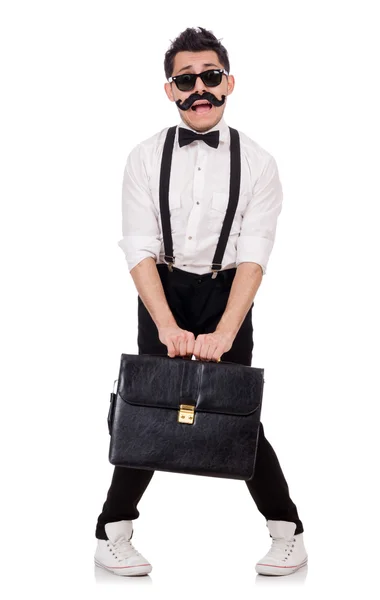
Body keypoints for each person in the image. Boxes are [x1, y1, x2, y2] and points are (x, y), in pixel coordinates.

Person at [94, 26, 308, 577]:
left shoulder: (259, 163)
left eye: (210, 77)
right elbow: (138, 248)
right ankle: (112, 530)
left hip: (227, 289)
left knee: (236, 411)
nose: (199, 90)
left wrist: (226, 331)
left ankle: (286, 531)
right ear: (171, 90)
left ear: (229, 82)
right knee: (148, 407)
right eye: (185, 80)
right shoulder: (143, 157)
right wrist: (165, 325)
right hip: (161, 289)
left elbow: (255, 255)